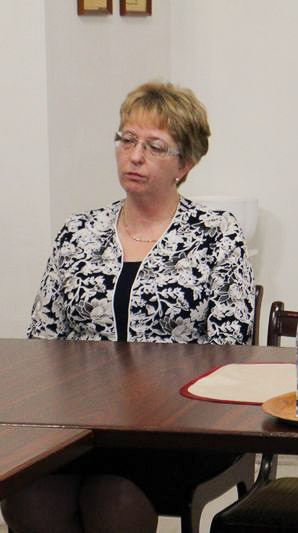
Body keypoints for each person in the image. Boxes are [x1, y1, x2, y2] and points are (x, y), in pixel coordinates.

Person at [1, 81, 256, 532]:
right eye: (127, 140)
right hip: (83, 426)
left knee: (113, 497)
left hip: (178, 428)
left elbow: (229, 351)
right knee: (29, 495)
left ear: (184, 164)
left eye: (154, 147)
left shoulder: (216, 235)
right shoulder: (79, 233)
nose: (134, 156)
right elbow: (44, 339)